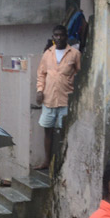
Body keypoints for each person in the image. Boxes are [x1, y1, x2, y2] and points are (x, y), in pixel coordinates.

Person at [35, 24, 81, 171]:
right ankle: (47, 161)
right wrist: (40, 90)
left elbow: (80, 75)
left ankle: (64, 163)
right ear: (53, 37)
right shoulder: (47, 54)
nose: (59, 37)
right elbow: (41, 74)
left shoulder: (74, 53)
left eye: (61, 35)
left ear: (66, 36)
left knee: (64, 132)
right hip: (48, 99)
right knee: (47, 131)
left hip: (66, 100)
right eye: (56, 35)